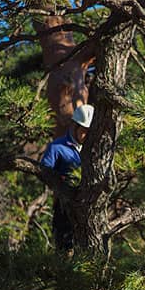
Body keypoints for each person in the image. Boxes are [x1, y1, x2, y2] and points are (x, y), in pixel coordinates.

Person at [40, 104, 94, 250]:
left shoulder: (95, 149)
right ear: (75, 126)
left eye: (89, 132)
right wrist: (62, 183)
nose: (86, 136)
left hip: (89, 208)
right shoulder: (56, 147)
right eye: (84, 131)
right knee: (65, 250)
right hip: (65, 207)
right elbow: (44, 173)